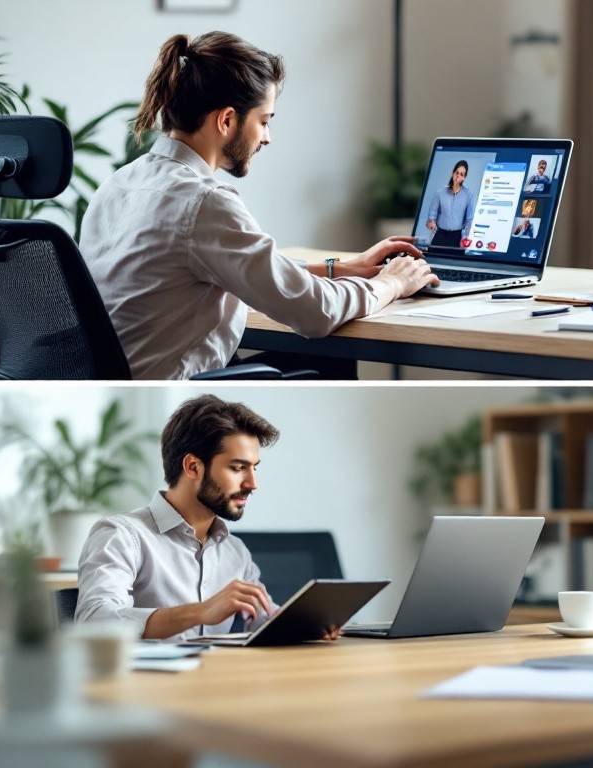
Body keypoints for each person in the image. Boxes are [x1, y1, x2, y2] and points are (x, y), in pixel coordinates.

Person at [80, 32, 438, 380]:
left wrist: (341, 268)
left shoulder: (118, 184)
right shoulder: (202, 201)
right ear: (226, 120)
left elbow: (235, 267)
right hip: (180, 387)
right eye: (264, 121)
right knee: (329, 365)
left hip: (128, 377)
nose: (267, 137)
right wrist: (391, 283)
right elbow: (315, 313)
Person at [74, 395, 336, 642]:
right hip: (144, 686)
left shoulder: (235, 552)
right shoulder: (121, 535)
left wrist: (304, 625)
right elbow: (94, 621)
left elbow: (261, 619)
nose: (252, 483)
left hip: (215, 684)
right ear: (193, 467)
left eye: (253, 468)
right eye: (237, 468)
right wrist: (200, 611)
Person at [425, 160, 475, 248]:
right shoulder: (440, 193)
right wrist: (431, 223)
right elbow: (432, 215)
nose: (458, 176)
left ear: (464, 178)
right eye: (457, 172)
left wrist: (465, 237)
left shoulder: (468, 195)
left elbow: (469, 220)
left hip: (457, 236)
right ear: (452, 173)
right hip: (440, 234)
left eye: (461, 174)